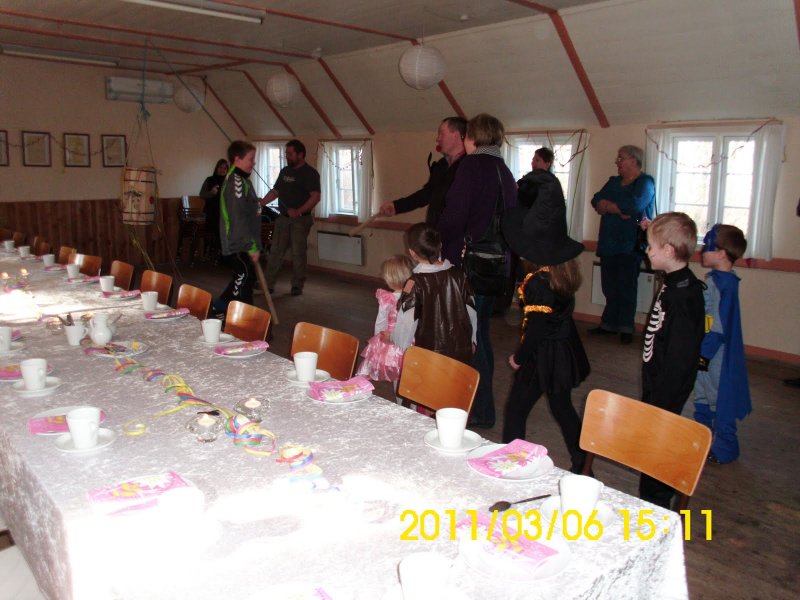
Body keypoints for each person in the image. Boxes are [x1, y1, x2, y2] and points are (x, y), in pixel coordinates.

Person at [500, 172, 590, 473]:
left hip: (543, 356)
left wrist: (520, 357)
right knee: (563, 408)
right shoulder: (561, 272)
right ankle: (583, 464)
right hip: (562, 351)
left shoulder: (537, 282)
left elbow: (536, 328)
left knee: (516, 410)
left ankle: (512, 463)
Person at [438, 113, 518, 428]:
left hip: (469, 265)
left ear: (471, 137)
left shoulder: (472, 166)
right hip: (494, 266)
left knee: (469, 337)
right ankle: (480, 406)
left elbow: (454, 216)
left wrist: (439, 240)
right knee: (480, 333)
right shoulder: (504, 170)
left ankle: (479, 409)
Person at [640, 212, 705, 508]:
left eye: (651, 246)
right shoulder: (675, 282)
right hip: (656, 382)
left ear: (668, 250)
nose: (647, 251)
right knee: (653, 444)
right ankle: (653, 494)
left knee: (658, 447)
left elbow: (680, 357)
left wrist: (660, 396)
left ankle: (656, 503)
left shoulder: (685, 296)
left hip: (666, 388)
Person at [693, 224, 752, 464]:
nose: (702, 251)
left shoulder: (721, 284)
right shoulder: (720, 281)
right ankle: (702, 442)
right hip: (708, 349)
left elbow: (718, 326)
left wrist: (703, 354)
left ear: (721, 253)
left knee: (717, 398)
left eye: (707, 247)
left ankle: (725, 448)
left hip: (714, 353)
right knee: (703, 396)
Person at [590, 145, 656, 344]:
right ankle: (608, 324)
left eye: (621, 158)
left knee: (627, 286)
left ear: (633, 161)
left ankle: (626, 326)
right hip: (608, 242)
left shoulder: (645, 182)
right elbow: (596, 200)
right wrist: (618, 209)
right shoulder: (613, 182)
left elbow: (634, 205)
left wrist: (610, 206)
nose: (617, 162)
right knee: (609, 286)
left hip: (630, 244)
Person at [392, 223, 476, 366]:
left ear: (412, 253)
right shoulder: (459, 275)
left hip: (430, 356)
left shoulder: (413, 283)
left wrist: (401, 346)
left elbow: (406, 322)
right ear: (440, 246)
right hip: (461, 352)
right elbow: (472, 311)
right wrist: (473, 340)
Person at [378, 117, 467, 226]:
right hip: (435, 231)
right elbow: (427, 194)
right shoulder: (441, 165)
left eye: (441, 134)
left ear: (456, 135)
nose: (437, 139)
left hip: (458, 233)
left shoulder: (470, 166)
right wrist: (396, 206)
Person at [262, 140, 321, 296]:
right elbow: (275, 191)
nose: (287, 156)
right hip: (283, 218)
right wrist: (262, 202)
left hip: (301, 220)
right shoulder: (285, 171)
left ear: (300, 154)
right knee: (275, 251)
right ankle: (267, 284)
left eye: (290, 154)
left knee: (298, 253)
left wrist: (299, 211)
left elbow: (315, 196)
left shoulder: (310, 173)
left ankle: (297, 285)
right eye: (286, 153)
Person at [212, 142, 262, 313]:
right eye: (251, 159)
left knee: (244, 278)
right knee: (243, 282)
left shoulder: (243, 180)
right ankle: (243, 318)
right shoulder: (236, 183)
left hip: (244, 241)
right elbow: (238, 217)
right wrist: (251, 246)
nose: (254, 162)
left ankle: (218, 309)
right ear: (237, 160)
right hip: (239, 243)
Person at [355, 254, 414, 387]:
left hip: (392, 342)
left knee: (396, 373)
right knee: (407, 374)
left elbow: (381, 322)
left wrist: (378, 338)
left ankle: (399, 395)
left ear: (389, 279)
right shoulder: (416, 297)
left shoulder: (387, 299)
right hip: (411, 342)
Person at [199, 158, 228, 261]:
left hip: (225, 213)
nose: (222, 170)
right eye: (220, 167)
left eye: (225, 168)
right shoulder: (209, 180)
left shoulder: (229, 182)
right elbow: (202, 195)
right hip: (211, 211)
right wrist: (211, 193)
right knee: (211, 233)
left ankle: (222, 257)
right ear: (217, 168)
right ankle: (209, 254)